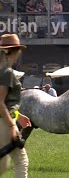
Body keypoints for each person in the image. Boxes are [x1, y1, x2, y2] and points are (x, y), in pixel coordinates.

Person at [0, 34, 32, 177]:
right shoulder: (7, 72)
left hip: (4, 122)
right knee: (21, 162)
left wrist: (18, 116)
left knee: (3, 166)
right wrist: (12, 126)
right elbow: (0, 102)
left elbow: (6, 102)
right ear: (15, 50)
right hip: (5, 124)